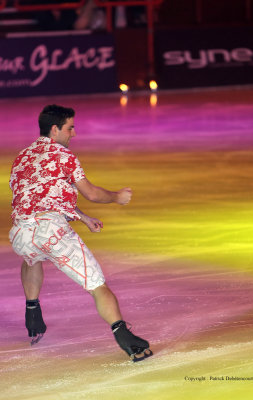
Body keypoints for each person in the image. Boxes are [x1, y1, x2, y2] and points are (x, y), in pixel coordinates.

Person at [9, 104, 152, 362]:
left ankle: (32, 312)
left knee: (31, 257)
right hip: (51, 232)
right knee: (98, 286)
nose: (73, 134)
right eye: (70, 128)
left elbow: (41, 196)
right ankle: (127, 340)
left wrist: (83, 218)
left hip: (20, 232)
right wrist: (117, 197)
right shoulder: (63, 155)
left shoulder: (22, 157)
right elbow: (92, 193)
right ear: (55, 129)